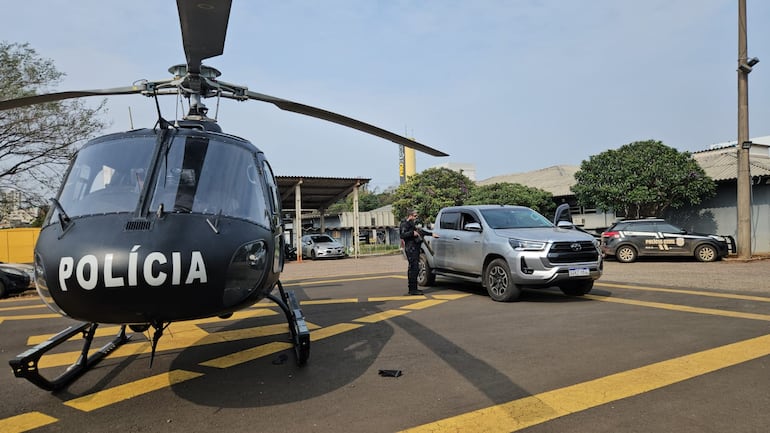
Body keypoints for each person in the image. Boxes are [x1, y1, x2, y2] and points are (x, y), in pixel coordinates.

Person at [400, 209, 425, 295]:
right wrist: (412, 233)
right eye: (414, 216)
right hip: (410, 248)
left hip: (415, 247)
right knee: (413, 268)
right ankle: (412, 289)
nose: (416, 217)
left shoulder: (412, 224)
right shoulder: (404, 224)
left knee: (415, 268)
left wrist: (431, 234)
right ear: (410, 215)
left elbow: (419, 232)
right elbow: (402, 235)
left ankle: (414, 288)